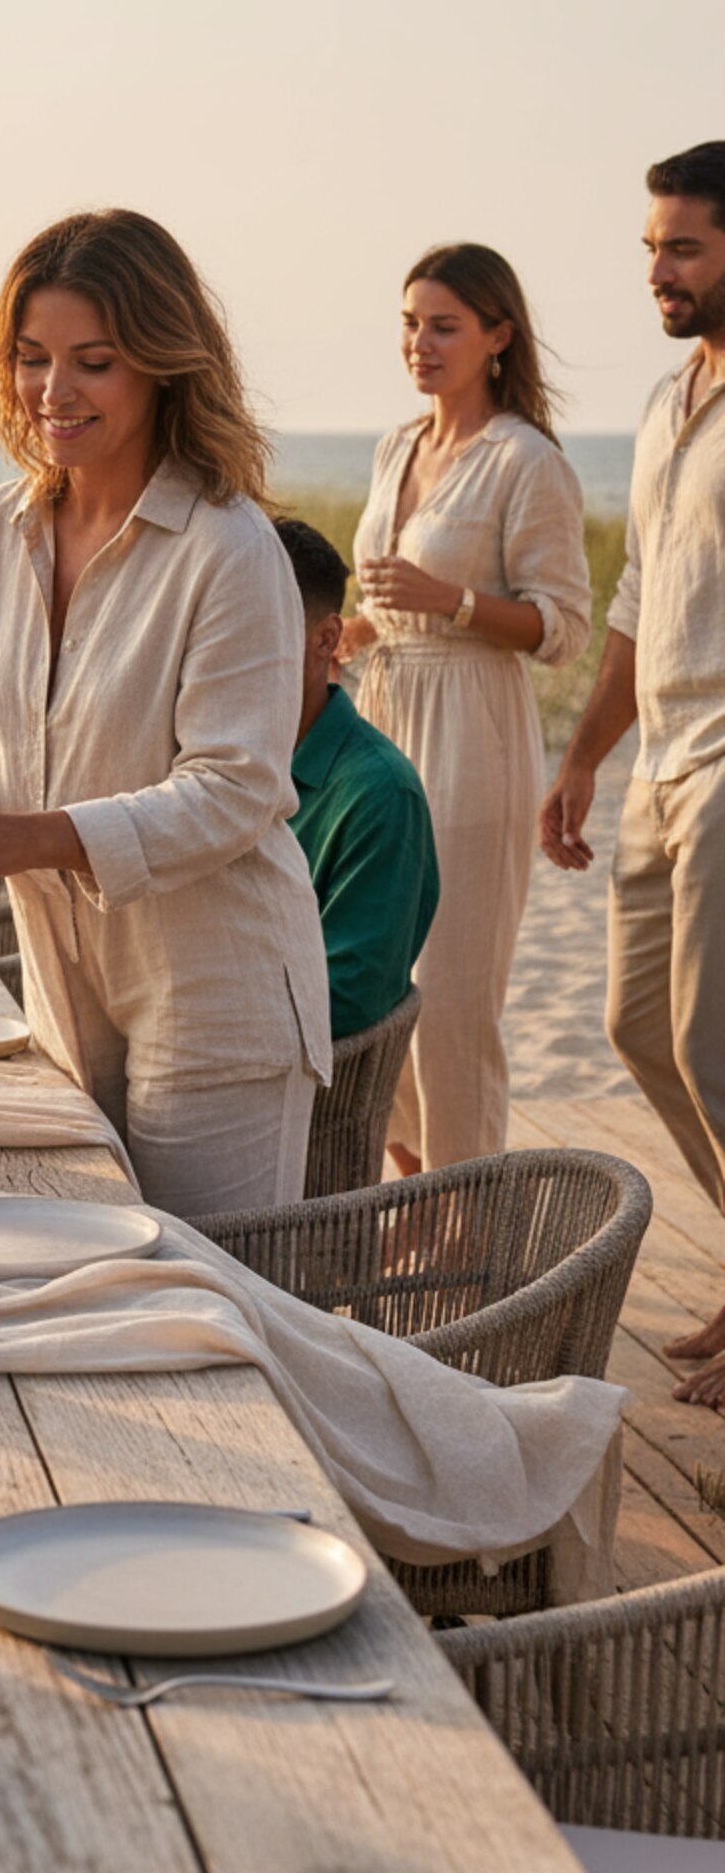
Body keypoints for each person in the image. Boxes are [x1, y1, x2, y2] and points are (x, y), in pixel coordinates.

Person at [0, 209, 330, 1219]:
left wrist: (22, 838)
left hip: (216, 988)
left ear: (162, 366)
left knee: (214, 1311)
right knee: (103, 1283)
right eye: (31, 357)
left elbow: (236, 785)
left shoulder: (228, 546)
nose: (53, 390)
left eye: (94, 360)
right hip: (59, 983)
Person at [339, 244, 591, 1174]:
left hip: (476, 733)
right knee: (379, 970)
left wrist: (449, 601)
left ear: (497, 336)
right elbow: (398, 595)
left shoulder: (527, 462)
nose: (420, 342)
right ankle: (415, 1183)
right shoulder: (396, 445)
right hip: (387, 716)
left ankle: (466, 1218)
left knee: (454, 993)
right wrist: (359, 632)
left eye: (443, 325)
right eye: (410, 323)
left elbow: (564, 629)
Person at [541, 141, 725, 1407]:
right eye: (650, 247)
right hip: (657, 762)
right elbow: (634, 596)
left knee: (714, 1044)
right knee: (636, 1029)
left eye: (682, 247)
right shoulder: (668, 405)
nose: (655, 271)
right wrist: (582, 756)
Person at [274, 516, 439, 1040]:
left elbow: (347, 997)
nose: (230, 650)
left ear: (326, 639)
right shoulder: (201, 756)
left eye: (263, 628)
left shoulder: (380, 793)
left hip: (280, 1092)